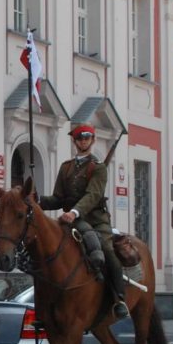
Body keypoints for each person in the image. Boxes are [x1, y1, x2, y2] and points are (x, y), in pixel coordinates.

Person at [37, 124, 129, 318]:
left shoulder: (98, 167)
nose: (83, 141)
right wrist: (37, 200)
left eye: (87, 138)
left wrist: (75, 212)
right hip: (71, 221)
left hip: (95, 220)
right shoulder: (66, 167)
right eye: (79, 138)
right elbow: (58, 199)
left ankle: (118, 299)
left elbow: (93, 195)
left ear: (93, 140)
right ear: (75, 141)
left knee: (106, 251)